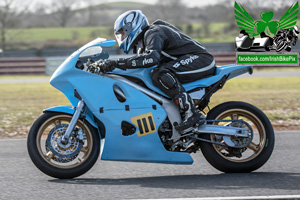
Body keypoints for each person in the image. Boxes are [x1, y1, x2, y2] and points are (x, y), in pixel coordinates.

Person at [97, 10, 216, 132]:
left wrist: (116, 63)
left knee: (158, 73)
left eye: (124, 33)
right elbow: (140, 64)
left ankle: (192, 113)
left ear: (133, 26)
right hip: (188, 62)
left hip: (201, 60)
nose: (122, 37)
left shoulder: (153, 32)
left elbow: (151, 59)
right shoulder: (142, 44)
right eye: (120, 35)